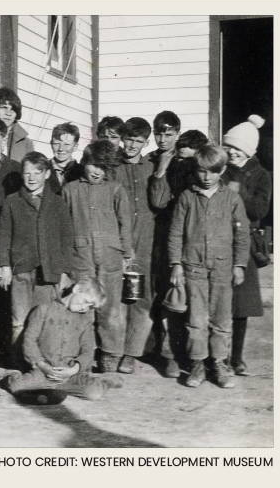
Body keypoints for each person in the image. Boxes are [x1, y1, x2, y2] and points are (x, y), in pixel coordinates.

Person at [169, 145, 249, 389]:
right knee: (196, 319)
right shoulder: (186, 198)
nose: (206, 177)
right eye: (202, 172)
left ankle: (219, 363)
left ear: (222, 170)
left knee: (222, 318)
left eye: (212, 172)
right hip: (194, 268)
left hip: (223, 269)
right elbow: (175, 234)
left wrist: (239, 264)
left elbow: (242, 234)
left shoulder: (231, 199)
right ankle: (197, 363)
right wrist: (176, 264)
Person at [62, 140, 133, 373]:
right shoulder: (70, 190)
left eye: (102, 167)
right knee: (82, 308)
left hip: (110, 259)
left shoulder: (115, 189)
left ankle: (110, 355)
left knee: (110, 309)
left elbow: (125, 223)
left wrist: (126, 253)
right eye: (93, 165)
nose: (96, 172)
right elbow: (63, 227)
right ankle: (81, 354)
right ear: (84, 163)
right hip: (80, 259)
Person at [0, 152, 73, 348]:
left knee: (44, 318)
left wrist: (64, 271)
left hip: (48, 272)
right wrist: (4, 265)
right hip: (21, 270)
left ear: (47, 174)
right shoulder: (12, 202)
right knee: (19, 319)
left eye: (37, 173)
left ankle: (43, 361)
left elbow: (66, 238)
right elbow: (4, 236)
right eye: (27, 173)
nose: (31, 178)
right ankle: (18, 363)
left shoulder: (57, 202)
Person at [149, 127, 208, 378]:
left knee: (198, 306)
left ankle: (200, 359)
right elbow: (160, 202)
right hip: (172, 244)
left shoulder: (206, 184)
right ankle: (171, 355)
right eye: (180, 159)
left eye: (189, 160)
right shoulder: (173, 179)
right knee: (172, 301)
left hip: (198, 249)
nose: (183, 164)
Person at [6, 277, 116, 404]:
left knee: (95, 392)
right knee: (16, 386)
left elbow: (87, 350)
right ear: (76, 289)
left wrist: (73, 370)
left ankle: (50, 392)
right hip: (43, 372)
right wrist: (42, 365)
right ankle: (4, 375)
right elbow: (29, 341)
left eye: (90, 307)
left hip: (70, 376)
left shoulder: (85, 321)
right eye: (85, 301)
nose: (84, 308)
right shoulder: (43, 310)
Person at [221, 116, 271, 376]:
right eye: (228, 146)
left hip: (245, 243)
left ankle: (236, 358)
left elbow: (260, 209)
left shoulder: (262, 175)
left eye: (236, 148)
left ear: (248, 151)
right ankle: (216, 357)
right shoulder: (220, 167)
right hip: (219, 238)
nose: (230, 152)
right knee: (217, 301)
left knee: (240, 307)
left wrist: (240, 191)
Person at [110, 117, 157, 374]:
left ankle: (131, 353)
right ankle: (114, 350)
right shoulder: (113, 168)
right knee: (119, 297)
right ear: (122, 138)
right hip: (119, 241)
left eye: (138, 141)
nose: (132, 145)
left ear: (145, 143)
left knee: (141, 297)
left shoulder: (150, 167)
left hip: (146, 240)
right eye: (129, 139)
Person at [47, 123, 82, 193]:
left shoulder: (81, 172)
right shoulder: (44, 168)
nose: (61, 149)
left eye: (67, 144)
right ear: (51, 144)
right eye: (56, 144)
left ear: (75, 147)